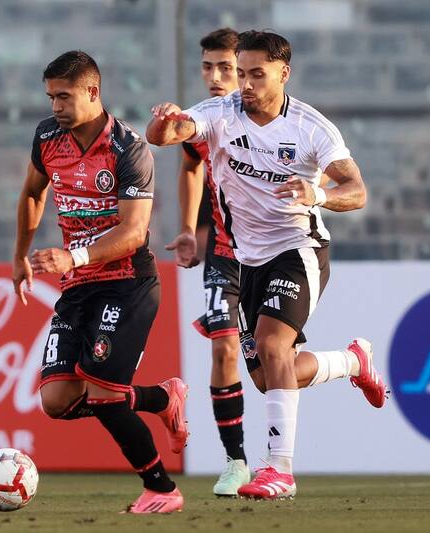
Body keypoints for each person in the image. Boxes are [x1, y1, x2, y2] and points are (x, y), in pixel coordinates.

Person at [147, 30, 386, 500]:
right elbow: (169, 136)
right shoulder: (219, 113)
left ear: (283, 73)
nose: (247, 84)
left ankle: (278, 470)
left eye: (257, 74)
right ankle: (352, 361)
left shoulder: (312, 129)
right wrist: (165, 122)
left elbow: (357, 191)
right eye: (242, 73)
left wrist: (316, 193)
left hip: (299, 250)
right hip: (244, 260)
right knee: (268, 375)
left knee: (273, 345)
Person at [12, 50, 186, 514]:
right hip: (78, 285)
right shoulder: (47, 137)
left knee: (106, 398)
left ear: (93, 92)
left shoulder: (128, 148)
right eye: (50, 97)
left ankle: (162, 489)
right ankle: (161, 397)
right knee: (56, 400)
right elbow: (32, 192)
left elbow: (132, 234)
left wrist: (72, 255)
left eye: (63, 96)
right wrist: (18, 259)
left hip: (128, 282)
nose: (54, 107)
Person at [164, 28, 251, 497]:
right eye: (207, 67)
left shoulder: (274, 120)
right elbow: (191, 165)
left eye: (226, 68)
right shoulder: (201, 120)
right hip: (223, 251)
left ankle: (348, 362)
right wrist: (188, 229)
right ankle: (235, 461)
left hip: (273, 255)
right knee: (224, 349)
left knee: (268, 363)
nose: (215, 77)